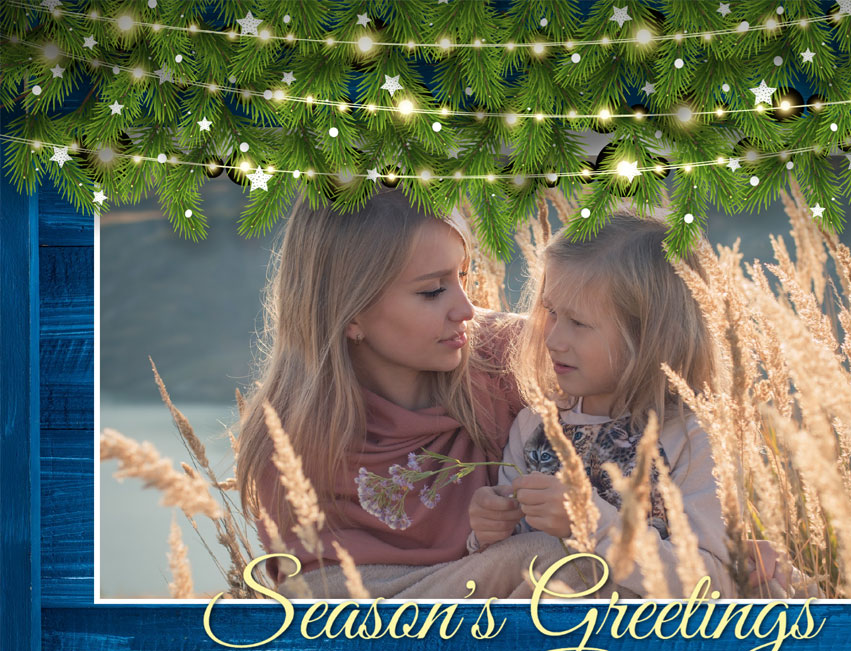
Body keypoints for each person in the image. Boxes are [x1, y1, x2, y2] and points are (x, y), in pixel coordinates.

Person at [235, 189, 571, 599]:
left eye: (462, 277)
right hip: (365, 621)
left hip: (490, 611)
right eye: (432, 291)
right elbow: (310, 594)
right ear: (350, 311)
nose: (466, 309)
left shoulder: (510, 357)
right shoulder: (289, 435)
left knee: (550, 561)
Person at [468, 212, 760, 598]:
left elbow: (715, 584)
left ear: (650, 335)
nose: (553, 338)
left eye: (578, 322)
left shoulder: (694, 440)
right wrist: (486, 534)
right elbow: (513, 566)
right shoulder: (534, 428)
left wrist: (591, 521)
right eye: (551, 312)